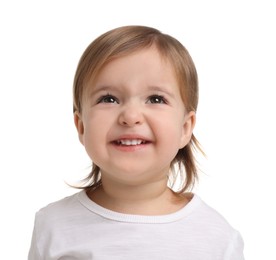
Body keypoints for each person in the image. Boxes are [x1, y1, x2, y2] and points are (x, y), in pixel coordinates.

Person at [28, 25, 244, 259]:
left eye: (155, 99)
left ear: (185, 128)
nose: (131, 117)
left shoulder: (217, 238)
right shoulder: (52, 225)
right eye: (108, 99)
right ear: (81, 126)